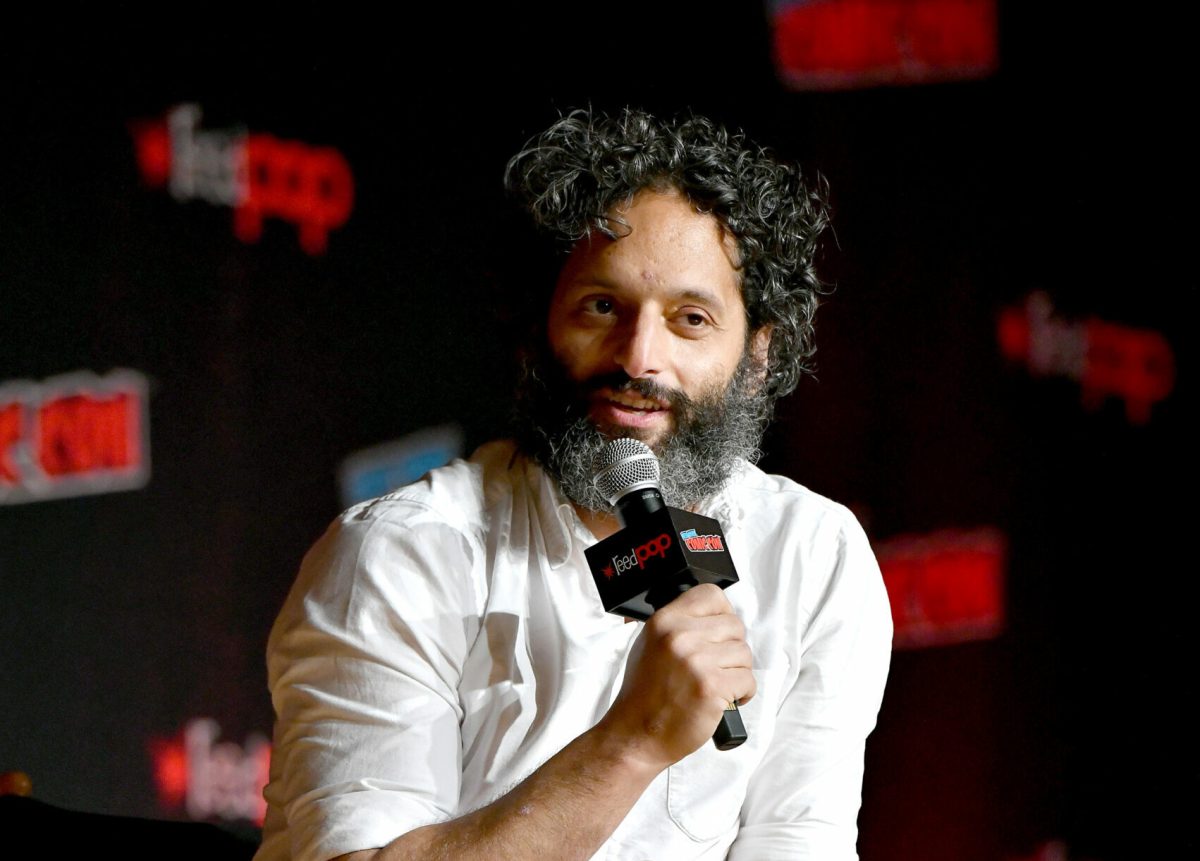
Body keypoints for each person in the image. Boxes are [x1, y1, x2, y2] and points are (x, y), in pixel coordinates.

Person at [254, 107, 892, 861]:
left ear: (757, 356)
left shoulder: (813, 554)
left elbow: (800, 844)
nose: (639, 357)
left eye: (690, 318)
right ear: (538, 328)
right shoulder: (401, 555)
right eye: (602, 307)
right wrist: (631, 742)